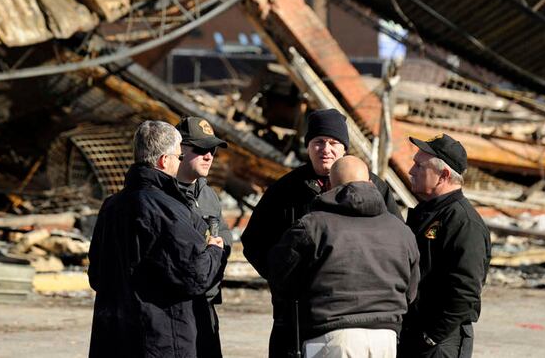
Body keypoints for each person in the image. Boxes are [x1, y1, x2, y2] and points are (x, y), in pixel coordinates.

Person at [242, 108, 403, 357]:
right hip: (295, 316)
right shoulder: (286, 189)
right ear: (308, 147)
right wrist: (285, 281)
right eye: (318, 142)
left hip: (363, 315)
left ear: (344, 149)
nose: (325, 149)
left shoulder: (374, 188)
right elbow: (254, 241)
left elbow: (397, 242)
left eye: (333, 143)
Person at [87, 120, 226, 358]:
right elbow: (195, 275)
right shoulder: (168, 209)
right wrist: (214, 251)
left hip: (114, 337)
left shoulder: (111, 206)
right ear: (164, 160)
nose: (180, 160)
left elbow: (96, 276)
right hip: (160, 338)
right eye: (178, 156)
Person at [268, 156, 420, 358]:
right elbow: (411, 290)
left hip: (330, 335)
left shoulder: (312, 226)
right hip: (386, 338)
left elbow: (280, 275)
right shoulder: (401, 230)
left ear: (329, 185)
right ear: (369, 183)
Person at [397, 134, 492, 358]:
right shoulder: (427, 212)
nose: (411, 171)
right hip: (415, 333)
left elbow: (465, 290)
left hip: (440, 342)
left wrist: (432, 335)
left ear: (444, 175)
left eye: (419, 166)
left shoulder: (464, 223)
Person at [176, 116, 234, 357]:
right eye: (200, 149)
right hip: (175, 310)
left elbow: (225, 236)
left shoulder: (207, 193)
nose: (209, 156)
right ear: (178, 150)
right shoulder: (160, 194)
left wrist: (217, 251)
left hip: (205, 306)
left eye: (211, 150)